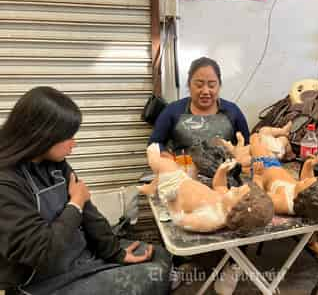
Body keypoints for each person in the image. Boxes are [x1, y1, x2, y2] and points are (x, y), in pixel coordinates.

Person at [0, 87, 171, 295]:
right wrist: (75, 204)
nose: (75, 143)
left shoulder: (54, 163)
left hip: (79, 256)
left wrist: (115, 252)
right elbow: (43, 252)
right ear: (43, 135)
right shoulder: (7, 182)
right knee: (154, 275)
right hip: (44, 281)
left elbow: (88, 212)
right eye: (68, 136)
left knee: (161, 256)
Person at [139, 143, 273, 233]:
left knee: (165, 164)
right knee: (175, 165)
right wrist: (222, 171)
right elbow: (219, 185)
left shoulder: (211, 220)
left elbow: (181, 220)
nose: (232, 188)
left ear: (233, 210)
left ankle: (152, 158)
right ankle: (151, 188)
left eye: (236, 191)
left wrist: (172, 202)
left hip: (173, 191)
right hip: (184, 181)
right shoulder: (224, 202)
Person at [148, 57, 250, 155]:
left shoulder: (233, 111)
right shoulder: (173, 111)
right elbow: (154, 145)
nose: (205, 91)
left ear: (219, 85)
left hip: (226, 171)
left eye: (211, 85)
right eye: (199, 85)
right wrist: (167, 158)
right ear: (189, 84)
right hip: (183, 171)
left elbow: (248, 146)